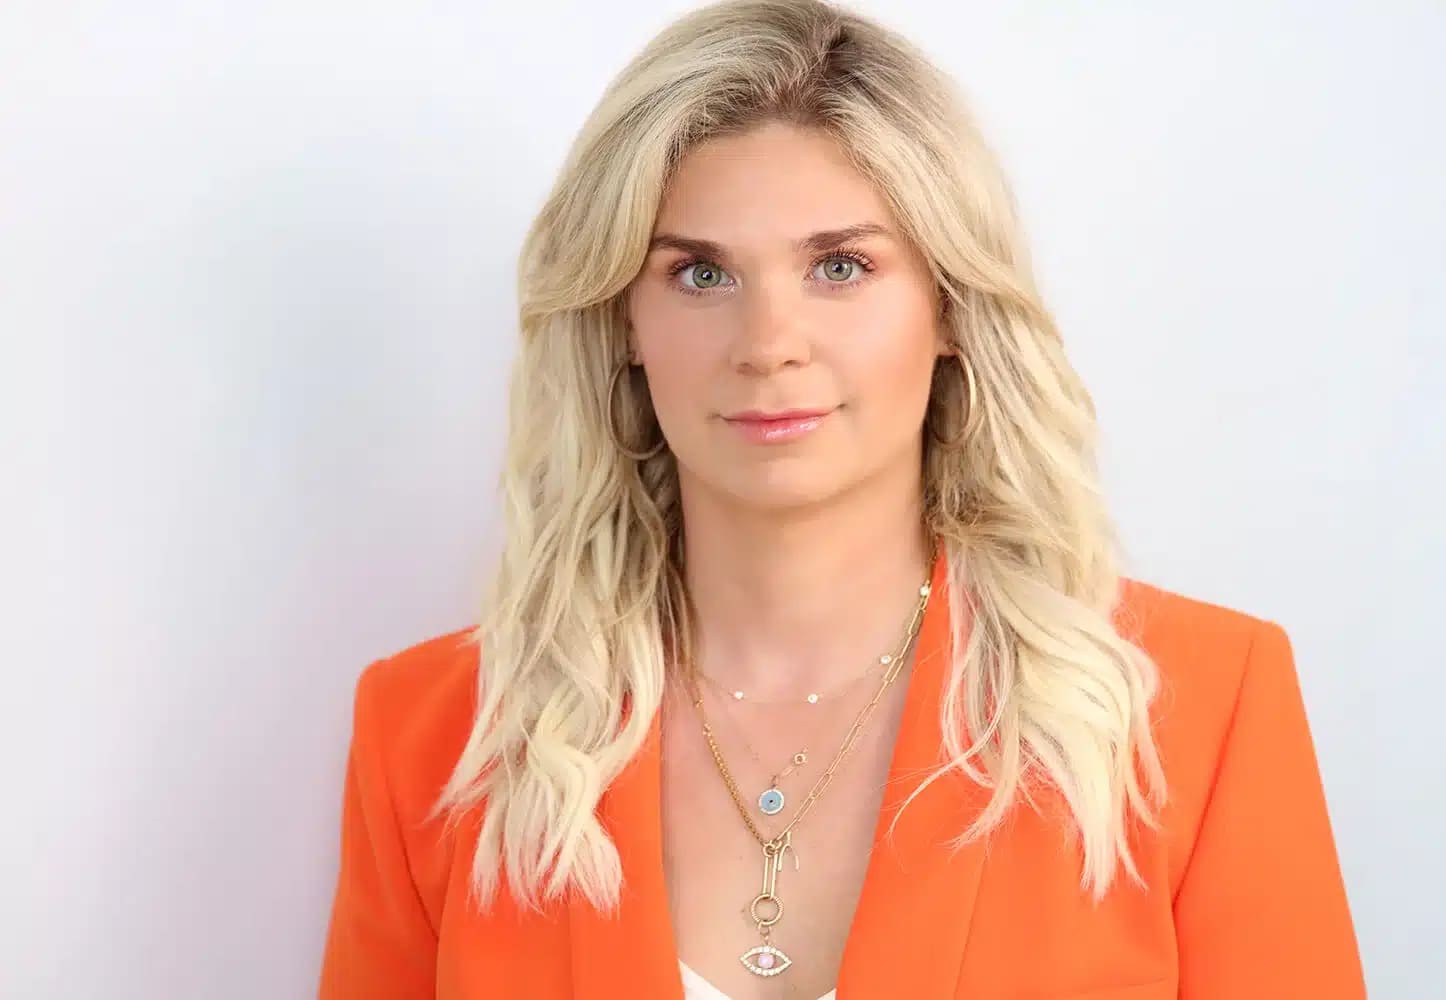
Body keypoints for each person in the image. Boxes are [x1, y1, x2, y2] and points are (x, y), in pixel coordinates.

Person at [317, 1, 1364, 996]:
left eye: (842, 266)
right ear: (624, 323)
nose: (770, 344)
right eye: (700, 275)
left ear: (949, 306)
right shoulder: (435, 738)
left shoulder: (1196, 710)